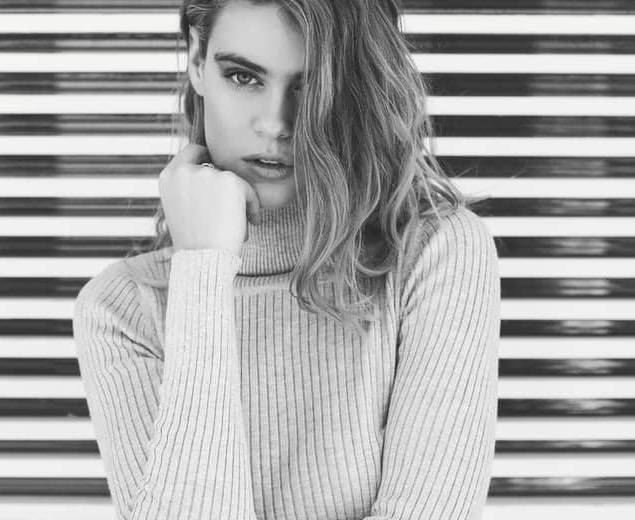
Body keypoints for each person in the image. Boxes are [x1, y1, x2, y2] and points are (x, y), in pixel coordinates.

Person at [72, 0, 501, 518]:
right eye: (243, 77)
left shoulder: (434, 257)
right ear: (197, 61)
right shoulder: (123, 311)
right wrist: (203, 268)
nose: (275, 123)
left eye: (310, 86)